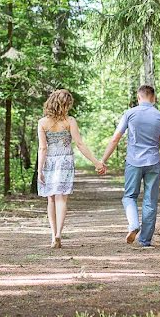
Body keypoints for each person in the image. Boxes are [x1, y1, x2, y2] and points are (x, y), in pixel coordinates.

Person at [101, 85, 160, 247]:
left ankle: (133, 224)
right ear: (153, 98)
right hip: (153, 162)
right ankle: (145, 240)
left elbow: (115, 139)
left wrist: (103, 160)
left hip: (133, 161)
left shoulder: (130, 114)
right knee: (150, 201)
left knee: (130, 196)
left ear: (139, 98)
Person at [38, 89, 106, 248]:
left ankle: (52, 234)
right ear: (65, 105)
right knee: (61, 198)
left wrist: (40, 170)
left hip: (49, 162)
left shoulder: (42, 123)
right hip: (65, 161)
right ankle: (59, 234)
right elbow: (80, 144)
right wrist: (96, 162)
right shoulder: (70, 121)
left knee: (51, 198)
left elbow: (43, 148)